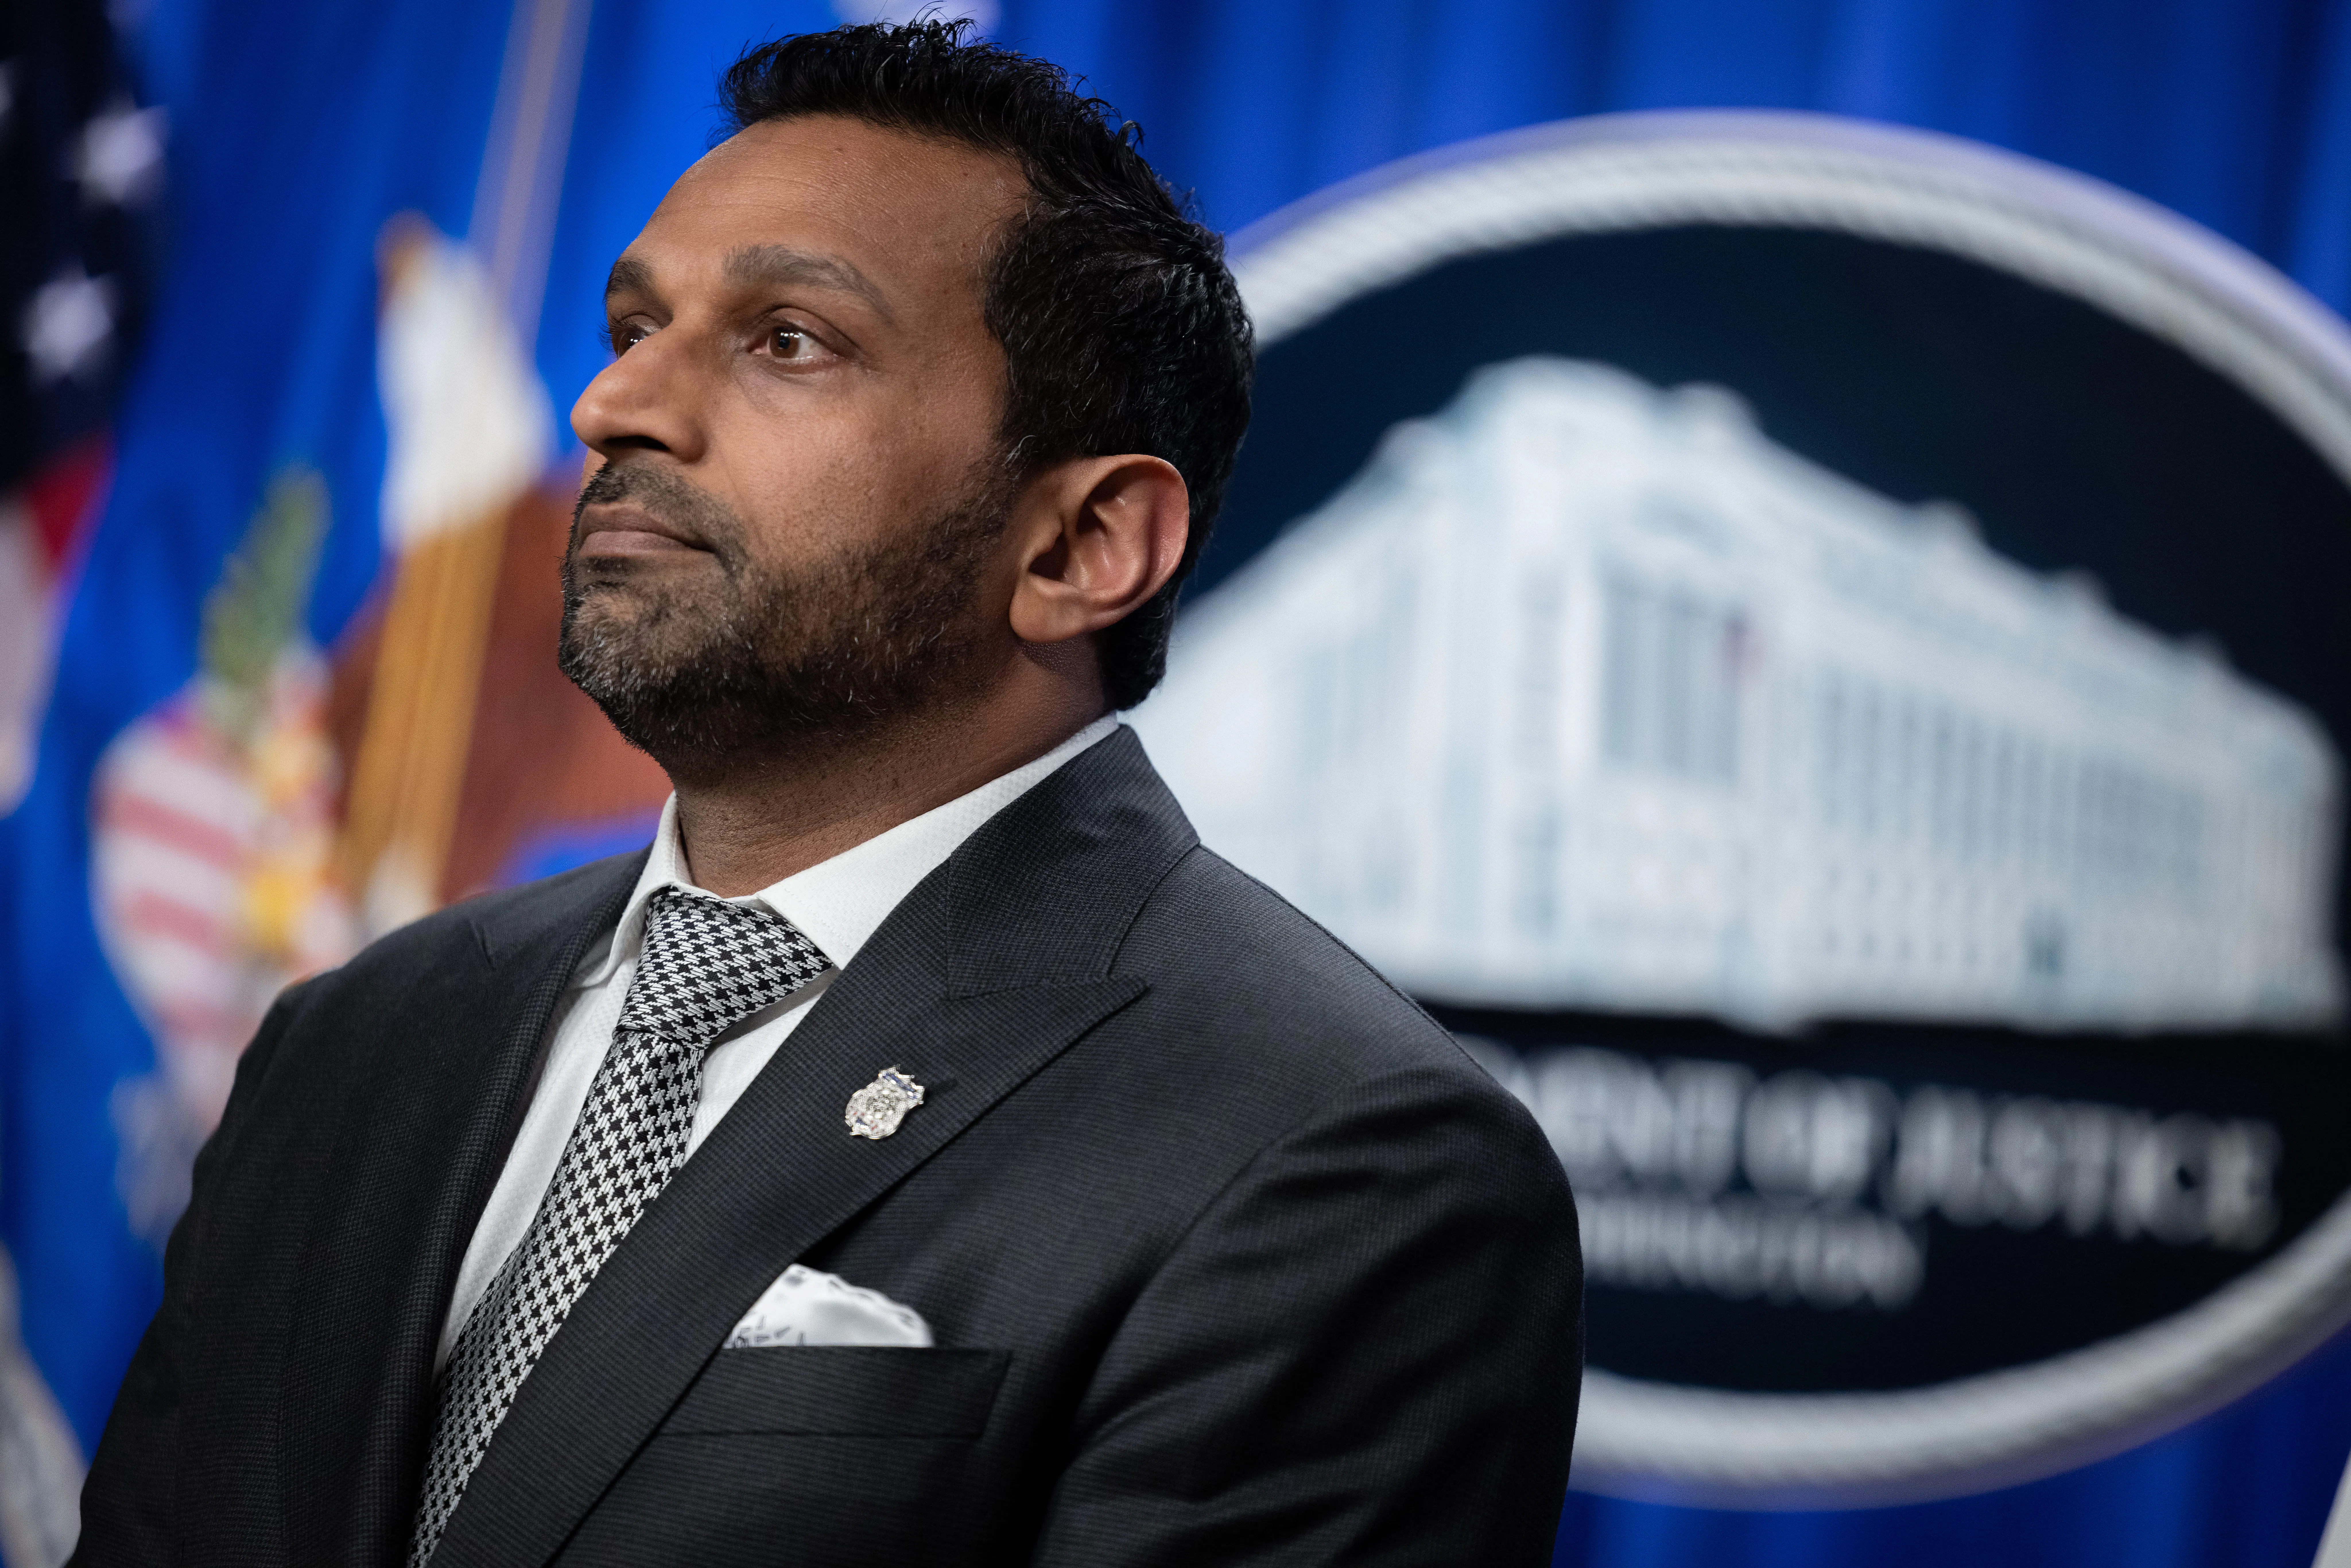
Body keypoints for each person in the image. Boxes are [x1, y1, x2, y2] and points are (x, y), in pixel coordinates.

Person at [73, 21, 1581, 1565]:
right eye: (632, 326)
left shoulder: (1335, 1161)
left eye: (788, 339)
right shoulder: (359, 1031)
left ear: (1083, 546)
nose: (616, 412)